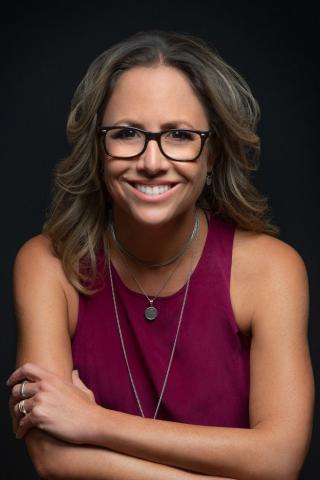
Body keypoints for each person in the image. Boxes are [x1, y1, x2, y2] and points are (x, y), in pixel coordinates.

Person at [7, 29, 314, 480]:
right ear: (98, 148)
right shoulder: (47, 264)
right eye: (128, 133)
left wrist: (96, 422)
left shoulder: (272, 270)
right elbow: (53, 459)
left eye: (181, 135)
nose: (152, 161)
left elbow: (280, 460)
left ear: (212, 156)